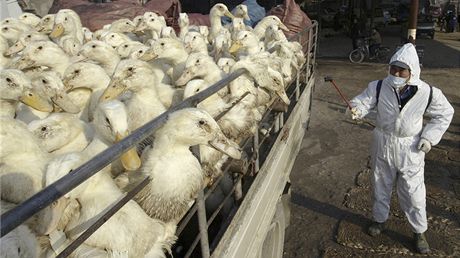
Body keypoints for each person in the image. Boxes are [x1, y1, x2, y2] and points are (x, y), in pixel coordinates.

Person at [349, 43, 454, 254]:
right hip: (383, 142)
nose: (396, 73)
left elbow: (445, 113)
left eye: (401, 69)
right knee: (380, 183)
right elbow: (362, 102)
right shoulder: (378, 86)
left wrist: (429, 138)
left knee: (413, 192)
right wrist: (357, 109)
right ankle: (379, 220)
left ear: (412, 70)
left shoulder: (428, 92)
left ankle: (418, 231)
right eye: (393, 68)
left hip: (411, 147)